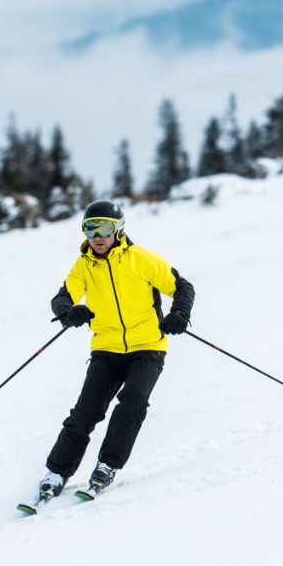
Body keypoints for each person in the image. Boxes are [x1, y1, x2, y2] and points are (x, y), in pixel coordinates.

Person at [40, 199, 195, 498]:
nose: (97, 235)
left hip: (147, 346)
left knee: (133, 401)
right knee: (85, 412)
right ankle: (56, 472)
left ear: (118, 229)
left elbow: (182, 287)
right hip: (107, 350)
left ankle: (107, 466)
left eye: (104, 227)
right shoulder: (84, 266)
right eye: (90, 228)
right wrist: (69, 312)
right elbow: (62, 297)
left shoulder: (140, 258)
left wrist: (180, 315)